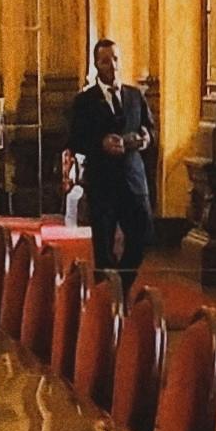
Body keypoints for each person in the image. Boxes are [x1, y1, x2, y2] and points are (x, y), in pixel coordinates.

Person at [63, 39, 158, 280]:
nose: (112, 65)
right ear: (96, 64)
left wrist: (146, 139)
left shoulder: (135, 96)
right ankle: (106, 301)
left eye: (115, 59)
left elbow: (150, 129)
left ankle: (121, 287)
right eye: (106, 61)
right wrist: (101, 143)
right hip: (102, 183)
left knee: (142, 238)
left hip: (133, 181)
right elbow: (74, 139)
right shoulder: (84, 101)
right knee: (104, 250)